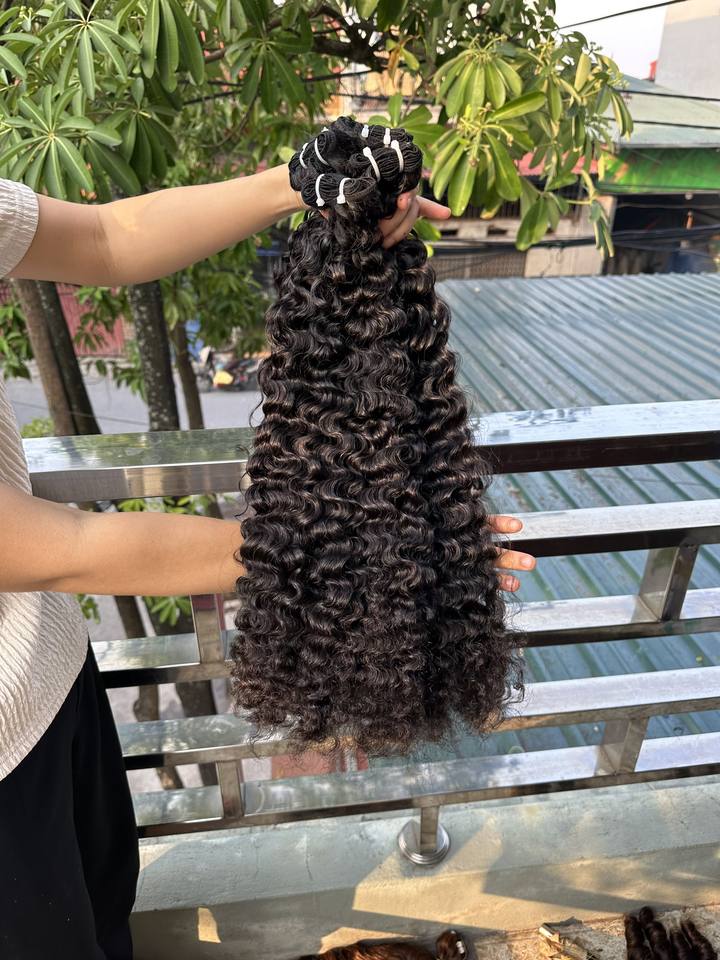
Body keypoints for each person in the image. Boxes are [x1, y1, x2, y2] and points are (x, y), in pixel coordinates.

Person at [0, 162, 536, 959]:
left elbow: (107, 238)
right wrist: (350, 547)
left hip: (51, 683)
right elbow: (52, 548)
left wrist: (301, 179)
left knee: (107, 913)